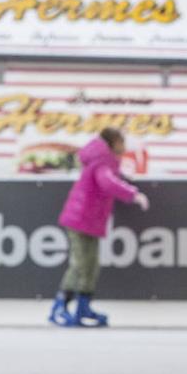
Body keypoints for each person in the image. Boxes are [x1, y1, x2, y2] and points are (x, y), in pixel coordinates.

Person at [49, 128, 150, 327]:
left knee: (91, 265)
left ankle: (83, 306)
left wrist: (127, 179)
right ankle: (60, 307)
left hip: (91, 220)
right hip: (80, 219)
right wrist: (133, 194)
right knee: (80, 264)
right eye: (121, 142)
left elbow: (113, 177)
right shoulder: (102, 161)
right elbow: (108, 183)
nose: (124, 146)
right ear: (112, 142)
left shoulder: (106, 161)